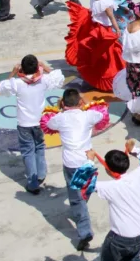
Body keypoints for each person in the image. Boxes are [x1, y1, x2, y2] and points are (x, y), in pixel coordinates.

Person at [46, 88, 107, 250]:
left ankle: (84, 231)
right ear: (80, 102)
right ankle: (80, 212)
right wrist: (85, 105)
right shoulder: (88, 115)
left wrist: (60, 109)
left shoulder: (59, 118)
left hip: (71, 163)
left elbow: (48, 123)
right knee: (84, 192)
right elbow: (101, 114)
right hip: (88, 161)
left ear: (63, 103)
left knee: (76, 197)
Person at [0, 55, 64, 194]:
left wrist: (13, 72)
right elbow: (58, 79)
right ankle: (41, 174)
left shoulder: (17, 83)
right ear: (36, 67)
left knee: (28, 151)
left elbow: (3, 87)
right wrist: (44, 67)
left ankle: (32, 182)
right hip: (39, 121)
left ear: (21, 68)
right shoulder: (43, 80)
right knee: (39, 146)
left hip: (24, 124)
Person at [64, 0, 125, 92]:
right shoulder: (105, 3)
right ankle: (111, 79)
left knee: (97, 54)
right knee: (110, 55)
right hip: (104, 31)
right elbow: (111, 17)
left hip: (94, 28)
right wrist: (117, 29)